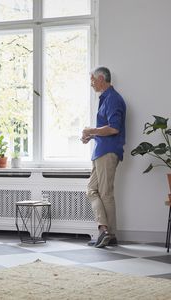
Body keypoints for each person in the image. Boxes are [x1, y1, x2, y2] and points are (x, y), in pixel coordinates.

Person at [81, 66, 126, 248]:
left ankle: (109, 233)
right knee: (92, 190)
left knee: (105, 193)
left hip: (107, 152)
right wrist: (91, 135)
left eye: (92, 80)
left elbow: (114, 128)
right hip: (101, 151)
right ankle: (106, 231)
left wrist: (91, 130)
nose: (91, 83)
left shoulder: (113, 99)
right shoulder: (106, 98)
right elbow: (107, 128)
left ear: (101, 79)